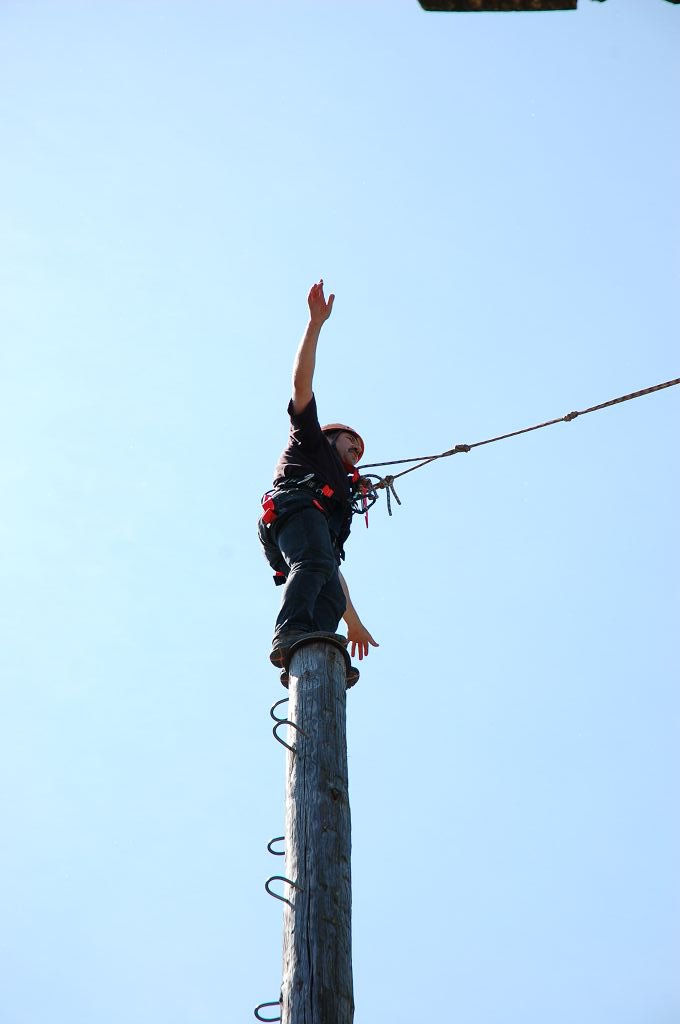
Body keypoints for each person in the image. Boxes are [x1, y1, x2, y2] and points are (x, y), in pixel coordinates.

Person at [258, 279, 378, 682]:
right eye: (350, 441)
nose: (356, 450)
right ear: (330, 438)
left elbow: (330, 566)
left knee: (328, 589)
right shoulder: (309, 440)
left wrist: (353, 622)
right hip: (294, 509)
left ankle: (316, 649)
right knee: (314, 562)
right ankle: (290, 632)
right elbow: (301, 385)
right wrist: (315, 325)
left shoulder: (339, 500)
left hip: (308, 528)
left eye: (360, 449)